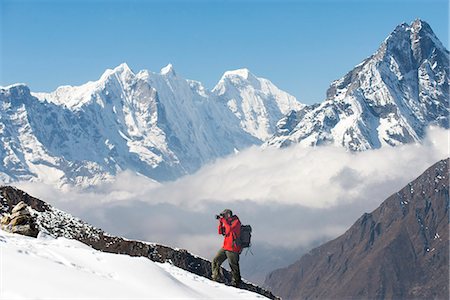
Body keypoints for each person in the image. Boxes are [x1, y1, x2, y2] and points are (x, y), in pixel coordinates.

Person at [211, 209, 242, 287]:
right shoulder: (227, 222)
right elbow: (220, 232)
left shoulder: (236, 221)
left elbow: (230, 229)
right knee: (216, 260)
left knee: (233, 265)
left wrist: (223, 221)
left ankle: (236, 282)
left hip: (233, 248)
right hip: (225, 247)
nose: (223, 216)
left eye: (224, 215)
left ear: (228, 215)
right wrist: (220, 222)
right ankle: (215, 277)